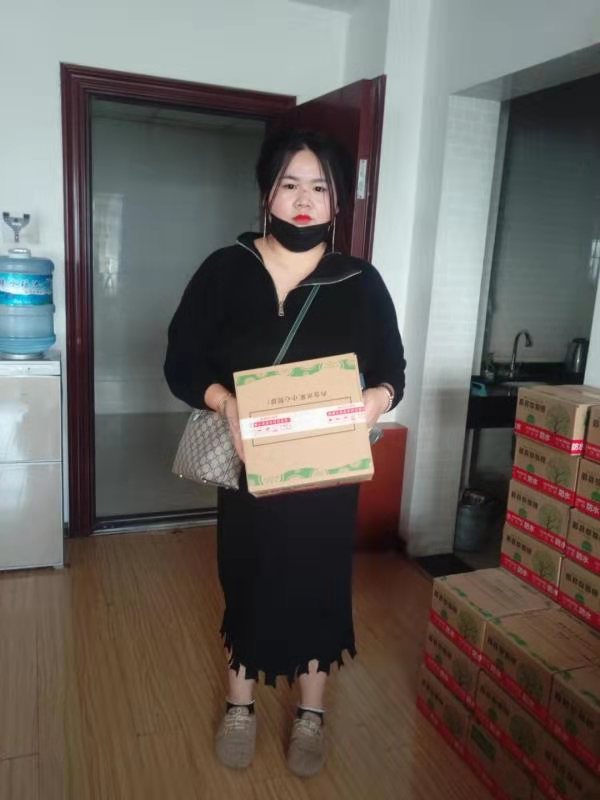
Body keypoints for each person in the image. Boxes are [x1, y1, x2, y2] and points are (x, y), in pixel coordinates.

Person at [164, 128, 405, 778]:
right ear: (266, 193)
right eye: (290, 184)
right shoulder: (224, 271)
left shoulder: (360, 282)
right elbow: (180, 365)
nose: (303, 200)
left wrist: (376, 400)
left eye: (319, 187)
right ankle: (240, 704)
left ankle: (311, 713)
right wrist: (225, 403)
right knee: (246, 577)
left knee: (318, 583)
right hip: (248, 468)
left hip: (325, 475)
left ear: (337, 200)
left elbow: (393, 370)